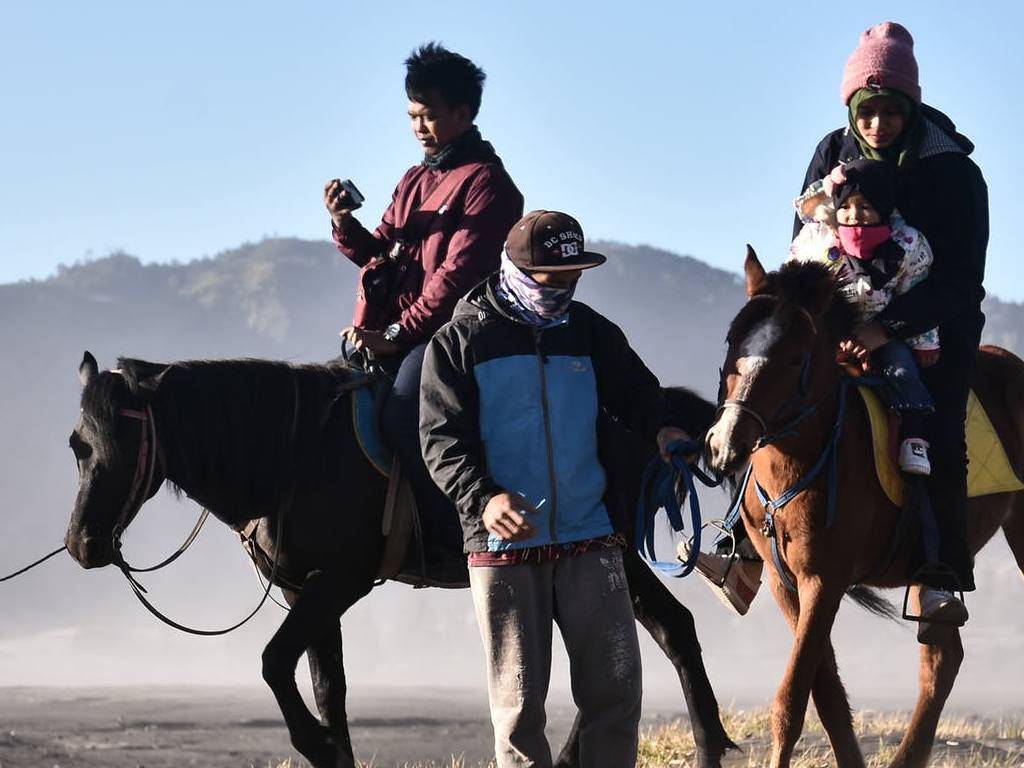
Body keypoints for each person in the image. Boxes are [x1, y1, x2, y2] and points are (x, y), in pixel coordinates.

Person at [700, 21, 987, 625]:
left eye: (890, 111)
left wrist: (890, 328)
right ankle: (738, 545)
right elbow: (803, 247)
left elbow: (961, 283)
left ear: (911, 104)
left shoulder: (956, 173)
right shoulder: (832, 150)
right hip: (836, 317)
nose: (877, 124)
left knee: (942, 430)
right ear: (851, 108)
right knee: (762, 392)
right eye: (865, 111)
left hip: (934, 324)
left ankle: (941, 572)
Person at [419, 210, 693, 766]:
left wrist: (662, 428)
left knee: (616, 693)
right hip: (504, 548)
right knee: (520, 709)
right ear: (517, 269)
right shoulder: (460, 343)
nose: (565, 286)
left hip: (592, 537)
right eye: (553, 276)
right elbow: (440, 440)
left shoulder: (591, 331)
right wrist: (483, 497)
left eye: (575, 274)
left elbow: (637, 394)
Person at [324, 43, 523, 580]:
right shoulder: (414, 179)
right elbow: (383, 249)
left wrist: (394, 334)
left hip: (450, 336)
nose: (419, 126)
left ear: (464, 113)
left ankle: (443, 535)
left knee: (402, 413)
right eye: (412, 114)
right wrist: (344, 223)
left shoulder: (490, 186)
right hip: (391, 331)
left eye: (429, 114)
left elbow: (455, 280)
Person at [791, 158, 938, 474]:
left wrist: (924, 342)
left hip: (883, 333)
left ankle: (913, 436)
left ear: (884, 208)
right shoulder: (818, 244)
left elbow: (914, 294)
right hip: (827, 336)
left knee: (902, 370)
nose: (854, 215)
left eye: (866, 207)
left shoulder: (905, 247)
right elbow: (795, 287)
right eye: (847, 208)